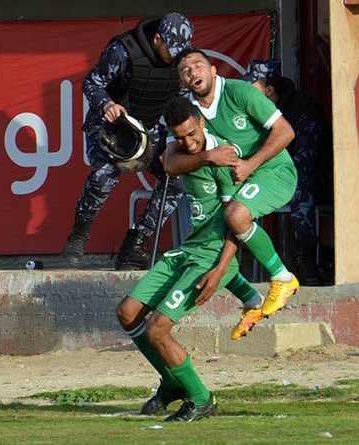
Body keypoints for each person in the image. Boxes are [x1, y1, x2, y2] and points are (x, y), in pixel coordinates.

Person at [115, 96, 255, 421]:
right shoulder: (186, 151)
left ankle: (202, 398)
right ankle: (172, 383)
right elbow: (168, 162)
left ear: (202, 123)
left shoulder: (227, 157)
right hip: (188, 249)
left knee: (157, 330)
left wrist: (220, 271)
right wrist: (200, 154)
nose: (189, 142)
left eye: (193, 134)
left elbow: (239, 221)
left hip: (210, 256)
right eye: (181, 137)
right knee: (127, 313)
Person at [164, 49, 300, 333]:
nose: (193, 72)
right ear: (182, 80)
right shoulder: (188, 111)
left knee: (236, 216)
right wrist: (207, 157)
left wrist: (250, 164)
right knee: (210, 241)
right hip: (233, 184)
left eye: (198, 66)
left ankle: (282, 277)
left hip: (273, 172)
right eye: (185, 70)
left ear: (213, 70)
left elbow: (286, 132)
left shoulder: (239, 92)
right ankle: (252, 300)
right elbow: (169, 163)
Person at [62, 13, 191, 270]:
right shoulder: (122, 52)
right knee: (106, 173)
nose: (175, 57)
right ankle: (79, 232)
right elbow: (91, 83)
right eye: (171, 50)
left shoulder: (183, 62)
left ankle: (136, 243)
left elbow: (183, 99)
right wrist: (107, 104)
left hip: (150, 127)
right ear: (157, 39)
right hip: (112, 124)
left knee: (177, 178)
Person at [243, 60, 332, 285]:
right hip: (278, 176)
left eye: (252, 88)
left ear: (269, 90)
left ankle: (307, 260)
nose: (246, 94)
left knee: (300, 184)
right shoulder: (260, 112)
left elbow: (304, 163)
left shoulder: (303, 112)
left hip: (317, 181)